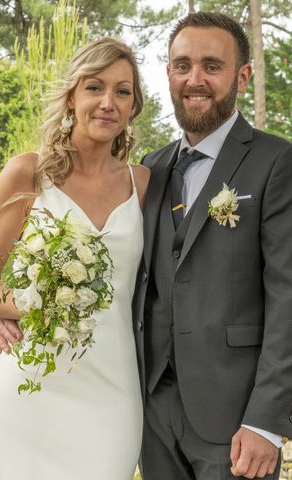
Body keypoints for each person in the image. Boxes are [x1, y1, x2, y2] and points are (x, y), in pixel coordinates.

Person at [0, 37, 150, 479]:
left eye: (122, 91)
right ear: (71, 96)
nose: (108, 102)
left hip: (113, 389)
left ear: (133, 106)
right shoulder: (27, 173)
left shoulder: (145, 185)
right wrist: (25, 304)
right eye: (94, 87)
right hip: (30, 381)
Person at [132, 12, 292, 480]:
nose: (194, 79)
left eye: (211, 66)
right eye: (182, 65)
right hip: (151, 410)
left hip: (235, 416)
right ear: (167, 74)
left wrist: (266, 419)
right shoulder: (151, 167)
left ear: (243, 75)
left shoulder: (277, 162)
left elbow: (289, 297)